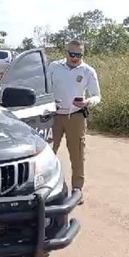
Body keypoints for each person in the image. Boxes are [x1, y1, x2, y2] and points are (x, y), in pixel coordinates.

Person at [47, 39, 101, 204]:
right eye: (72, 54)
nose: (75, 58)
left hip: (75, 116)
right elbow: (44, 88)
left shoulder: (88, 71)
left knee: (77, 153)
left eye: (79, 55)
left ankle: (77, 189)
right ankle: (46, 188)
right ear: (66, 52)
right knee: (48, 152)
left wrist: (87, 102)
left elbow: (97, 95)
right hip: (53, 115)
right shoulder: (54, 67)